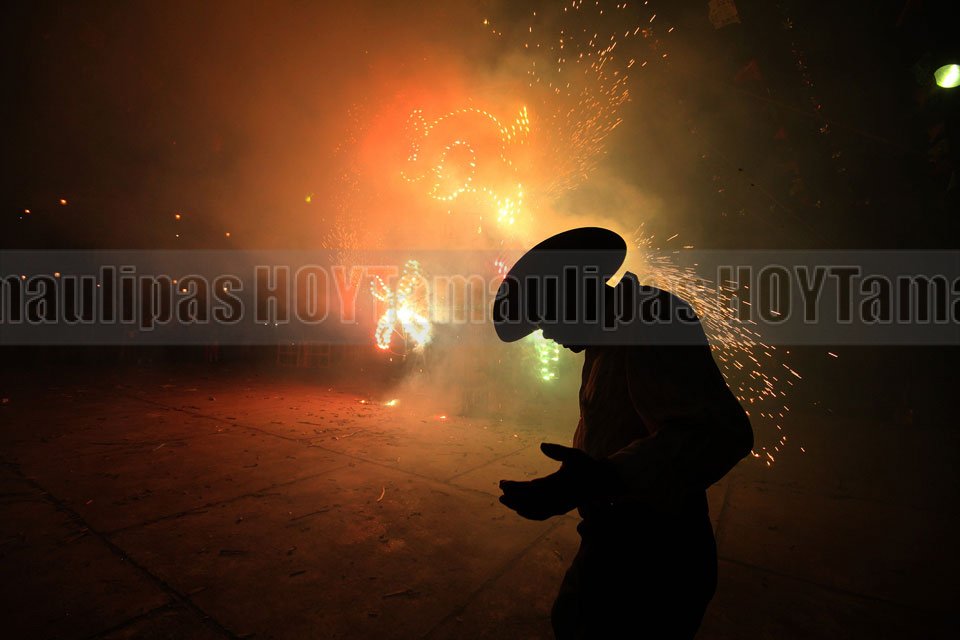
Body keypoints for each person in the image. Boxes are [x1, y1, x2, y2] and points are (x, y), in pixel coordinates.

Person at [492, 227, 753, 639]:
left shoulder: (651, 319)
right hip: (618, 540)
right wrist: (583, 479)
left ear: (573, 293)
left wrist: (602, 478)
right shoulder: (609, 335)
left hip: (655, 560)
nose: (545, 333)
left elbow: (720, 432)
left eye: (545, 317)